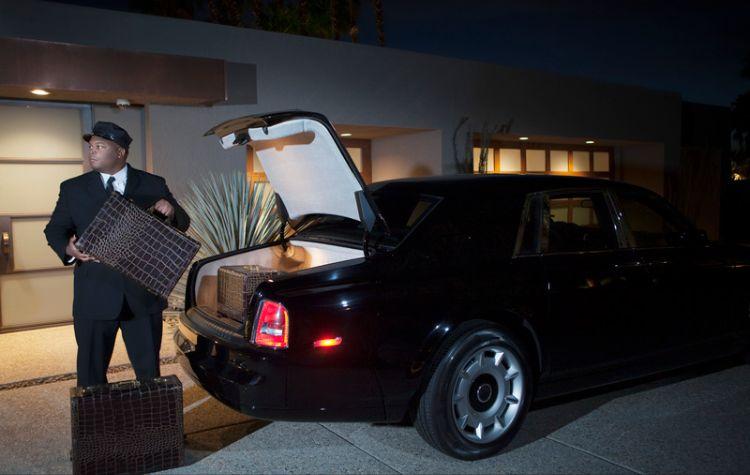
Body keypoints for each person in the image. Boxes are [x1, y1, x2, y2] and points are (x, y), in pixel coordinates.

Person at [44, 121, 190, 387]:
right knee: (90, 376)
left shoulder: (152, 183)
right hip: (94, 294)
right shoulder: (73, 188)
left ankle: (152, 426)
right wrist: (68, 248)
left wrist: (171, 209)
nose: (92, 151)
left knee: (149, 375)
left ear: (120, 152)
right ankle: (94, 428)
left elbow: (182, 221)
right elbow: (55, 230)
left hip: (142, 296)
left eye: (100, 146)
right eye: (90, 146)